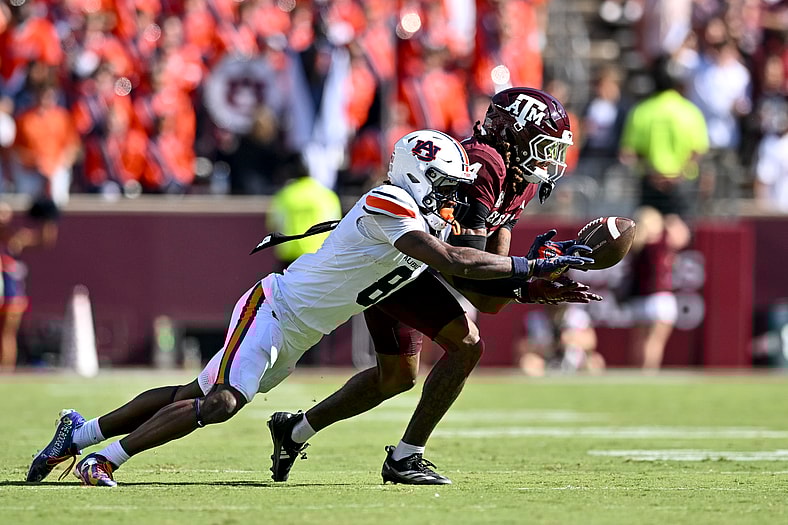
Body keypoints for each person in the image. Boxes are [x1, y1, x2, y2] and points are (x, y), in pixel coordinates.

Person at [26, 129, 595, 487]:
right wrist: (534, 267)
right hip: (275, 312)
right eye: (445, 184)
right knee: (219, 403)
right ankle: (106, 460)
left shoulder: (417, 210)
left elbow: (466, 268)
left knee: (192, 396)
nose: (452, 195)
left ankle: (79, 432)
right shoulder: (390, 203)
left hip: (295, 333)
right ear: (420, 176)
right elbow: (452, 259)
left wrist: (529, 279)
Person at [266, 87, 600, 486]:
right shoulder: (485, 163)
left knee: (397, 377)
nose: (550, 159)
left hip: (415, 263)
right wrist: (529, 275)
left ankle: (295, 431)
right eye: (545, 146)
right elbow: (462, 267)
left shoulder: (520, 176)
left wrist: (525, 281)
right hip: (400, 257)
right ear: (516, 133)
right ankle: (406, 457)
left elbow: (489, 293)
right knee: (467, 346)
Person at [624, 205, 690, 370]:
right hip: (660, 297)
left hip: (639, 298)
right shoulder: (661, 242)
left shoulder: (634, 244)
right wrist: (671, 220)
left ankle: (638, 371)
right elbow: (684, 237)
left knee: (639, 340)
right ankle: (649, 372)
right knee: (655, 341)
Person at [517, 303, 605, 377]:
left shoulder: (578, 317)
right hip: (545, 361)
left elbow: (591, 342)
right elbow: (521, 347)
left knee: (595, 362)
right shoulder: (534, 318)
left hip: (574, 360)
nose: (556, 310)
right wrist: (542, 346)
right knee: (528, 363)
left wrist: (571, 338)